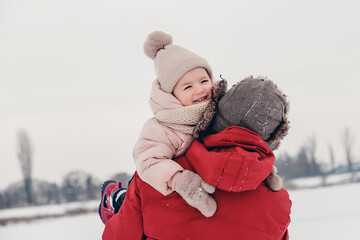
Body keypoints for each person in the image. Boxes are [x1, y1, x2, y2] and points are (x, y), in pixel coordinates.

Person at [102, 76, 291, 240]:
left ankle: (118, 203)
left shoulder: (163, 176)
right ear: (270, 139)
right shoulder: (279, 205)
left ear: (216, 113)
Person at [99, 30, 219, 224]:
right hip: (156, 180)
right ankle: (115, 200)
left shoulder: (221, 113)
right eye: (187, 87)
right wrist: (181, 181)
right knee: (134, 202)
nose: (200, 89)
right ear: (171, 95)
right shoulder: (163, 126)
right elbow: (149, 161)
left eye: (204, 81)